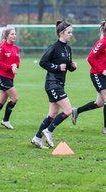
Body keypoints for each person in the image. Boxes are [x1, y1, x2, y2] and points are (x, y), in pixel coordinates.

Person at [31, 20, 77, 149]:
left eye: (71, 32)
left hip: (60, 84)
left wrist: (72, 66)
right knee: (68, 110)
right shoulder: (53, 47)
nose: (71, 35)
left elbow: (67, 67)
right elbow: (43, 62)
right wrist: (57, 67)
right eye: (69, 32)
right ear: (61, 33)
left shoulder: (68, 48)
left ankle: (37, 138)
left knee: (52, 114)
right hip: (52, 84)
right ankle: (48, 131)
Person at [71, 20, 106, 134]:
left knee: (100, 103)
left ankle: (76, 110)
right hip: (97, 74)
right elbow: (90, 58)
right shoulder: (101, 43)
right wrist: (102, 71)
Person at [0, 28, 20, 130]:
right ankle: (5, 120)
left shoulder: (16, 48)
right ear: (6, 36)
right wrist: (11, 67)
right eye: (12, 34)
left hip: (10, 77)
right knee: (14, 98)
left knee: (1, 101)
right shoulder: (2, 48)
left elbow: (17, 62)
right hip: (2, 77)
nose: (14, 36)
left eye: (15, 34)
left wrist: (15, 65)